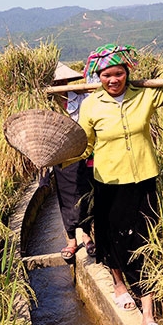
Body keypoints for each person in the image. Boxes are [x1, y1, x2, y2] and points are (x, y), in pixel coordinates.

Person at [74, 43, 163, 325]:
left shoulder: (145, 96)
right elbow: (83, 146)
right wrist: (59, 154)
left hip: (144, 181)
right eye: (105, 76)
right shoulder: (91, 105)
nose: (112, 80)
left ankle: (148, 313)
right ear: (98, 77)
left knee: (146, 241)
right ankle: (119, 286)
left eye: (118, 74)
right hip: (107, 183)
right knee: (112, 240)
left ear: (127, 73)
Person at [51, 62, 100, 260]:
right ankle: (71, 239)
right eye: (55, 82)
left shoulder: (82, 98)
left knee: (87, 194)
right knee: (66, 198)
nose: (59, 85)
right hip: (61, 158)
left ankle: (88, 236)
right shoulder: (46, 103)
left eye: (61, 81)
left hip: (85, 153)